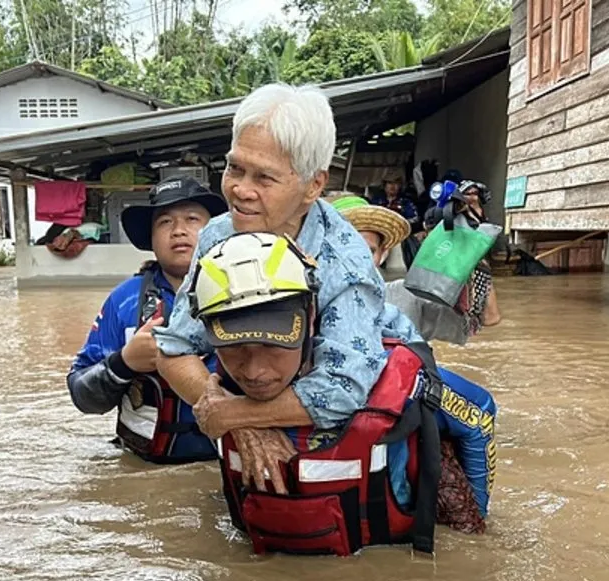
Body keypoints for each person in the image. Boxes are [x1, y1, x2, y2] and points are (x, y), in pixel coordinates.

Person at [185, 231, 498, 556]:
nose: (254, 371)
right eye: (233, 349)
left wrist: (472, 530)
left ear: (310, 319)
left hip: (384, 566)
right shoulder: (212, 390)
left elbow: (480, 414)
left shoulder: (384, 372)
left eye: (273, 345)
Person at [154, 82, 424, 444]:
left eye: (264, 177)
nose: (240, 190)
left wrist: (236, 414)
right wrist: (236, 417)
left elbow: (345, 385)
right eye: (235, 168)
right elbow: (174, 349)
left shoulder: (343, 257)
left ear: (313, 186)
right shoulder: (217, 237)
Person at [67, 175, 227, 464]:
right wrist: (124, 362)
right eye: (165, 222)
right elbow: (82, 395)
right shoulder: (124, 300)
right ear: (151, 239)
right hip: (144, 468)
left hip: (224, 468)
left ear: (216, 230)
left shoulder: (248, 291)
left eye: (192, 219)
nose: (178, 231)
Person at [330, 194, 488, 345]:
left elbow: (482, 321)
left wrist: (472, 256)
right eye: (349, 248)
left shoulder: (407, 295)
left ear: (382, 254)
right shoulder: (311, 303)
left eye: (369, 251)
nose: (360, 259)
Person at [421, 179, 502, 327]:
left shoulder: (480, 214)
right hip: (456, 267)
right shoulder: (451, 211)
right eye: (467, 194)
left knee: (489, 317)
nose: (472, 198)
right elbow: (434, 219)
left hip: (477, 266)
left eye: (475, 194)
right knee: (460, 315)